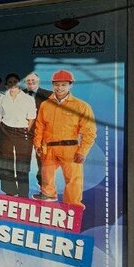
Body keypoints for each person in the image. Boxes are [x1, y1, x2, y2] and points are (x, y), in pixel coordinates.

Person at [33, 70, 97, 206]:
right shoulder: (45, 105)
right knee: (46, 174)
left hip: (70, 149)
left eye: (63, 85)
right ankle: (48, 195)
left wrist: (82, 151)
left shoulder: (81, 106)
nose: (60, 88)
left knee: (73, 178)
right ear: (52, 85)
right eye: (57, 85)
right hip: (48, 148)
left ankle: (72, 204)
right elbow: (40, 126)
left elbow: (89, 131)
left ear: (70, 85)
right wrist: (37, 144)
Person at [0, 73, 38, 198]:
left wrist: (25, 131)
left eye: (15, 81)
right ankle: (10, 191)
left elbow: (31, 118)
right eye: (10, 82)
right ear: (6, 85)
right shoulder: (2, 99)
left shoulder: (28, 99)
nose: (13, 84)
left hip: (22, 132)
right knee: (5, 163)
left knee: (22, 164)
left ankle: (23, 194)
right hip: (5, 131)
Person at [23, 72, 53, 188]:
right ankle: (22, 185)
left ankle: (42, 184)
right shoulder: (20, 94)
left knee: (42, 160)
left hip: (41, 133)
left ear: (38, 81)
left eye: (33, 80)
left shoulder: (49, 95)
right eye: (28, 80)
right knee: (23, 158)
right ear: (25, 82)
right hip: (24, 132)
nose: (30, 82)